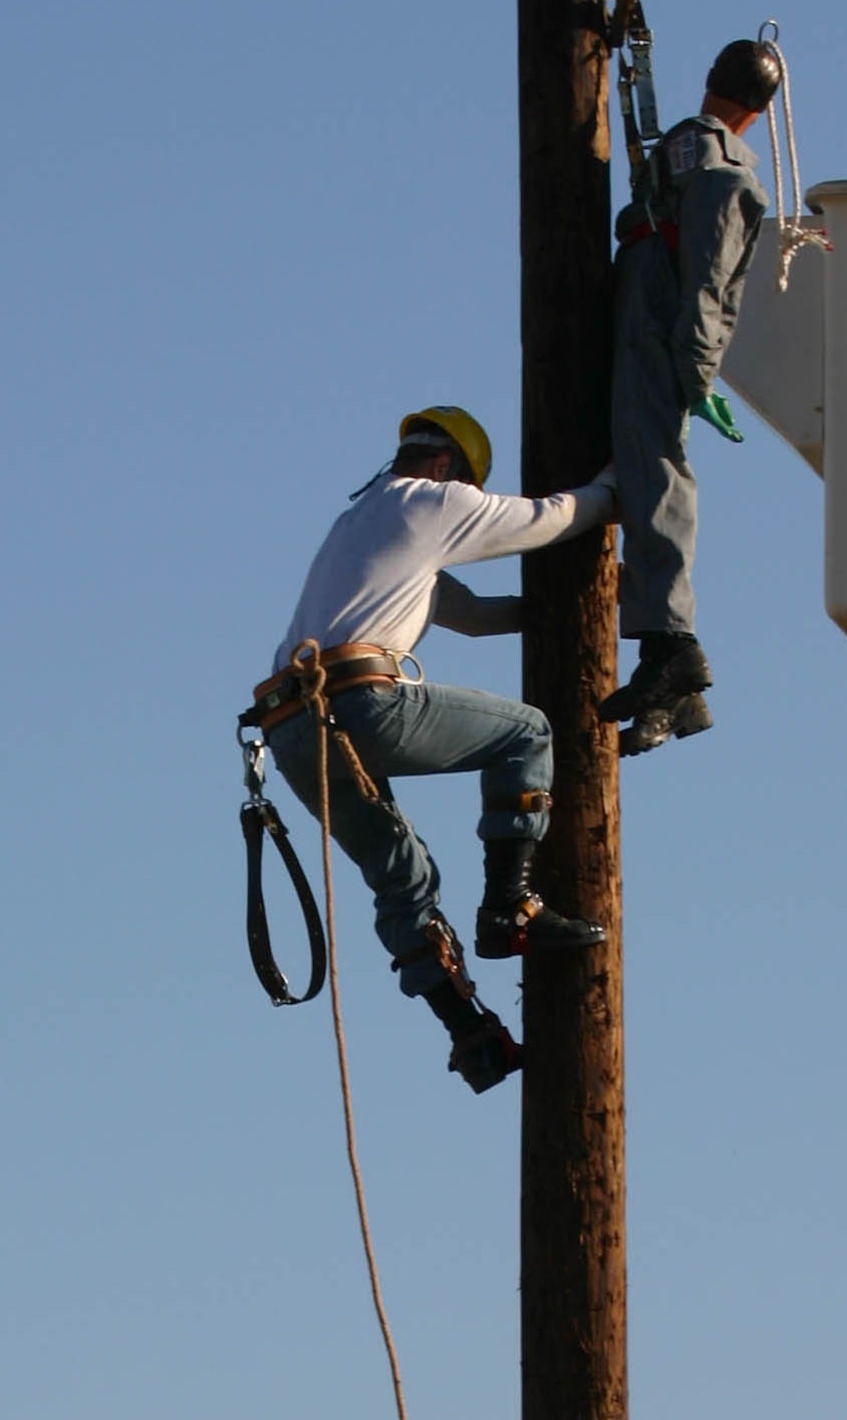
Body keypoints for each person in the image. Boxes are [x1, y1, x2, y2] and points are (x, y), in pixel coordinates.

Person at [245, 406, 616, 1095]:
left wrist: (566, 610)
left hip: (293, 727)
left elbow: (472, 617)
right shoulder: (433, 502)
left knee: (401, 879)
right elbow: (554, 518)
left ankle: (470, 1036)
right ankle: (512, 906)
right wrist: (619, 483)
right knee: (526, 732)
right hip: (357, 705)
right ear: (450, 468)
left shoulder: (363, 526)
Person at [599, 39, 782, 756]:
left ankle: (670, 650)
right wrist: (697, 363)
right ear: (761, 113)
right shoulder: (719, 161)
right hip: (659, 308)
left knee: (652, 467)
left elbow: (702, 271)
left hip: (652, 308)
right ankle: (676, 680)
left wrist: (693, 364)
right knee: (647, 465)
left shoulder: (687, 150)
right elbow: (710, 271)